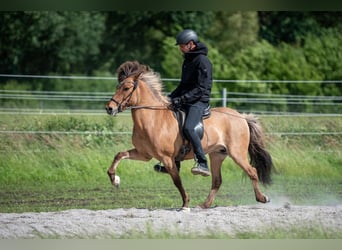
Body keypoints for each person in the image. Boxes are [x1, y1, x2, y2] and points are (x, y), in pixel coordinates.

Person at [155, 29, 213, 177]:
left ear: (191, 44)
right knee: (171, 124)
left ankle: (202, 163)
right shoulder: (187, 60)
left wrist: (181, 99)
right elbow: (183, 85)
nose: (180, 48)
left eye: (182, 45)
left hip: (199, 101)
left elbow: (201, 88)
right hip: (187, 99)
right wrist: (169, 98)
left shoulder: (202, 61)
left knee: (188, 128)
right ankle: (174, 163)